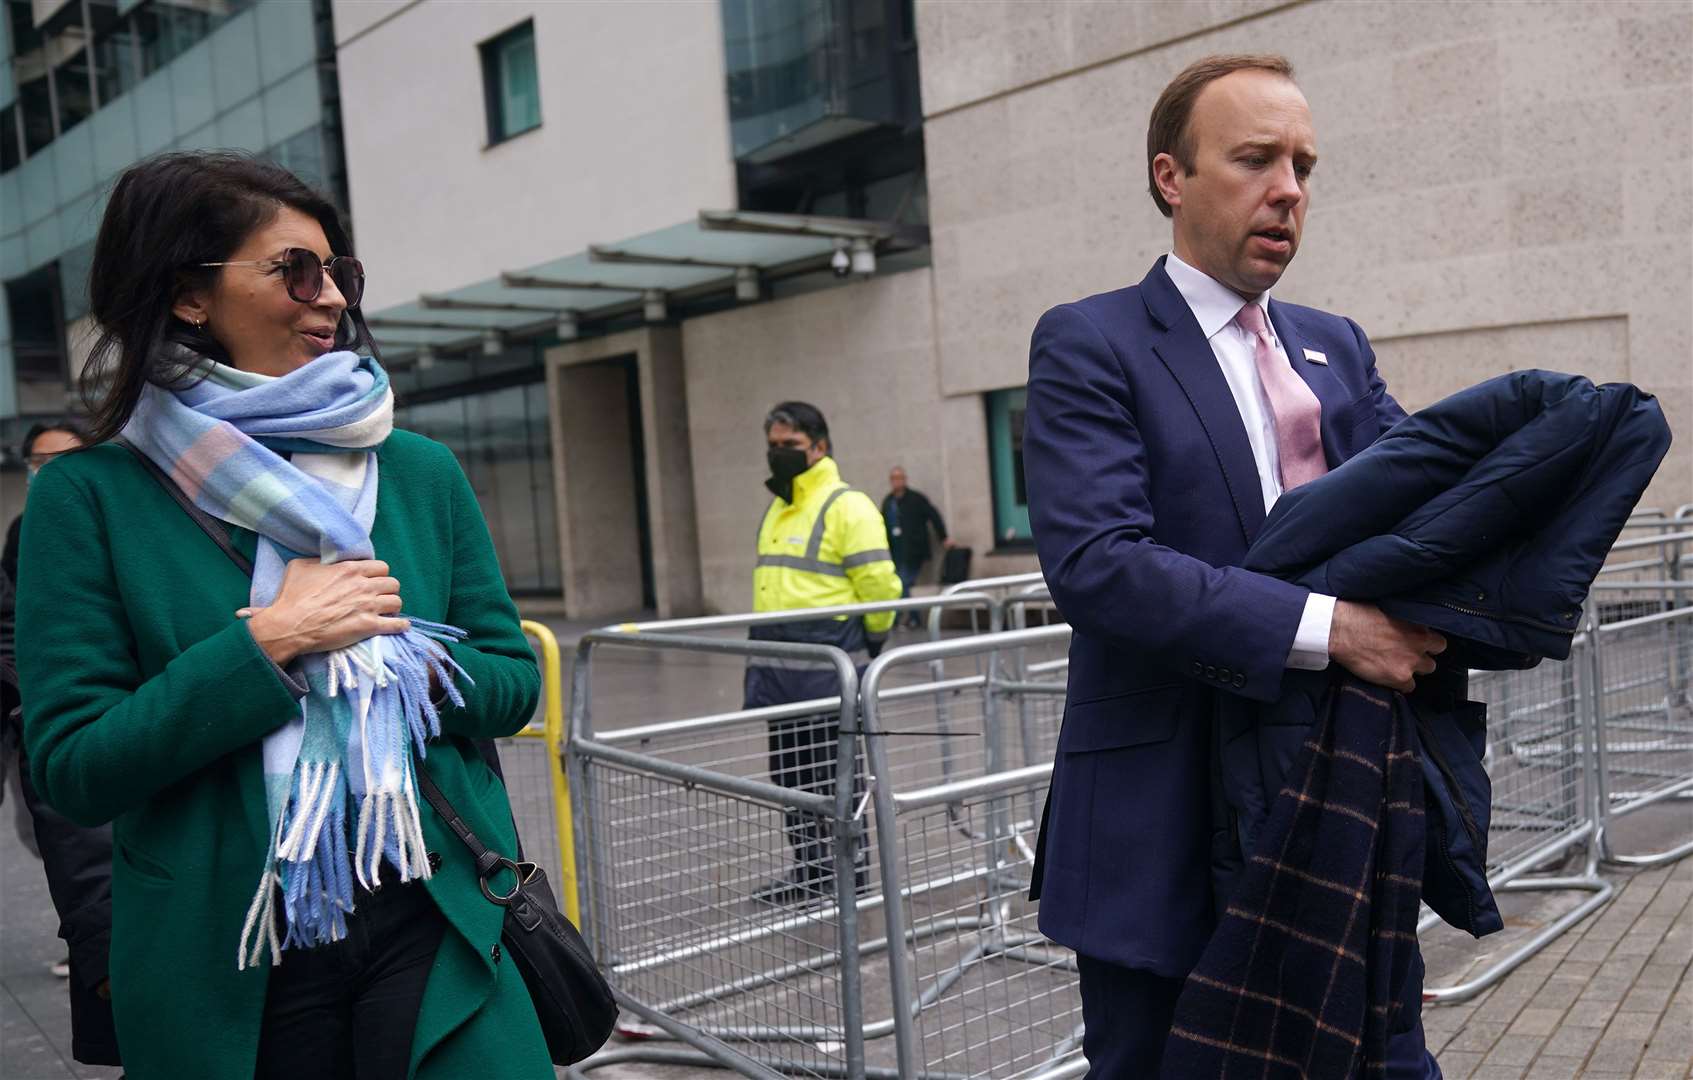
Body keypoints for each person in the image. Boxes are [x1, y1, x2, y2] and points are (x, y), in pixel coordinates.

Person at [16, 152, 551, 1079]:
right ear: (189, 295)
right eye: (295, 271)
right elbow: (73, 769)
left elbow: (511, 684)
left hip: (434, 910)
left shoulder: (417, 471)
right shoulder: (88, 497)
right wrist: (267, 646)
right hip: (228, 950)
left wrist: (399, 661)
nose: (332, 299)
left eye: (340, 274)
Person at [1022, 55, 1447, 1077]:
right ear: (1172, 176)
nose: (1288, 188)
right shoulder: (1091, 342)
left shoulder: (1333, 349)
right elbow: (1098, 565)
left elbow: (1427, 510)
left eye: (1302, 164)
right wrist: (1330, 630)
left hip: (1327, 799)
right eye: (1254, 158)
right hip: (1158, 821)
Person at [748, 402, 901, 905]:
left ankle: (847, 876)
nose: (778, 454)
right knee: (790, 777)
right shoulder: (780, 504)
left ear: (820, 446)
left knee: (833, 778)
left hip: (827, 668)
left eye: (789, 445)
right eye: (773, 445)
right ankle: (810, 873)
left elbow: (880, 586)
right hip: (777, 667)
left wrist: (875, 642)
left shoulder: (847, 506)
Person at [879, 466, 954, 627]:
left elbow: (933, 515)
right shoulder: (888, 502)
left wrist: (944, 537)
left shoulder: (915, 499)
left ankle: (902, 618)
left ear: (904, 480)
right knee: (901, 584)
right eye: (894, 478)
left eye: (899, 478)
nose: (896, 482)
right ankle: (910, 618)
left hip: (913, 550)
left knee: (903, 583)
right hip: (895, 551)